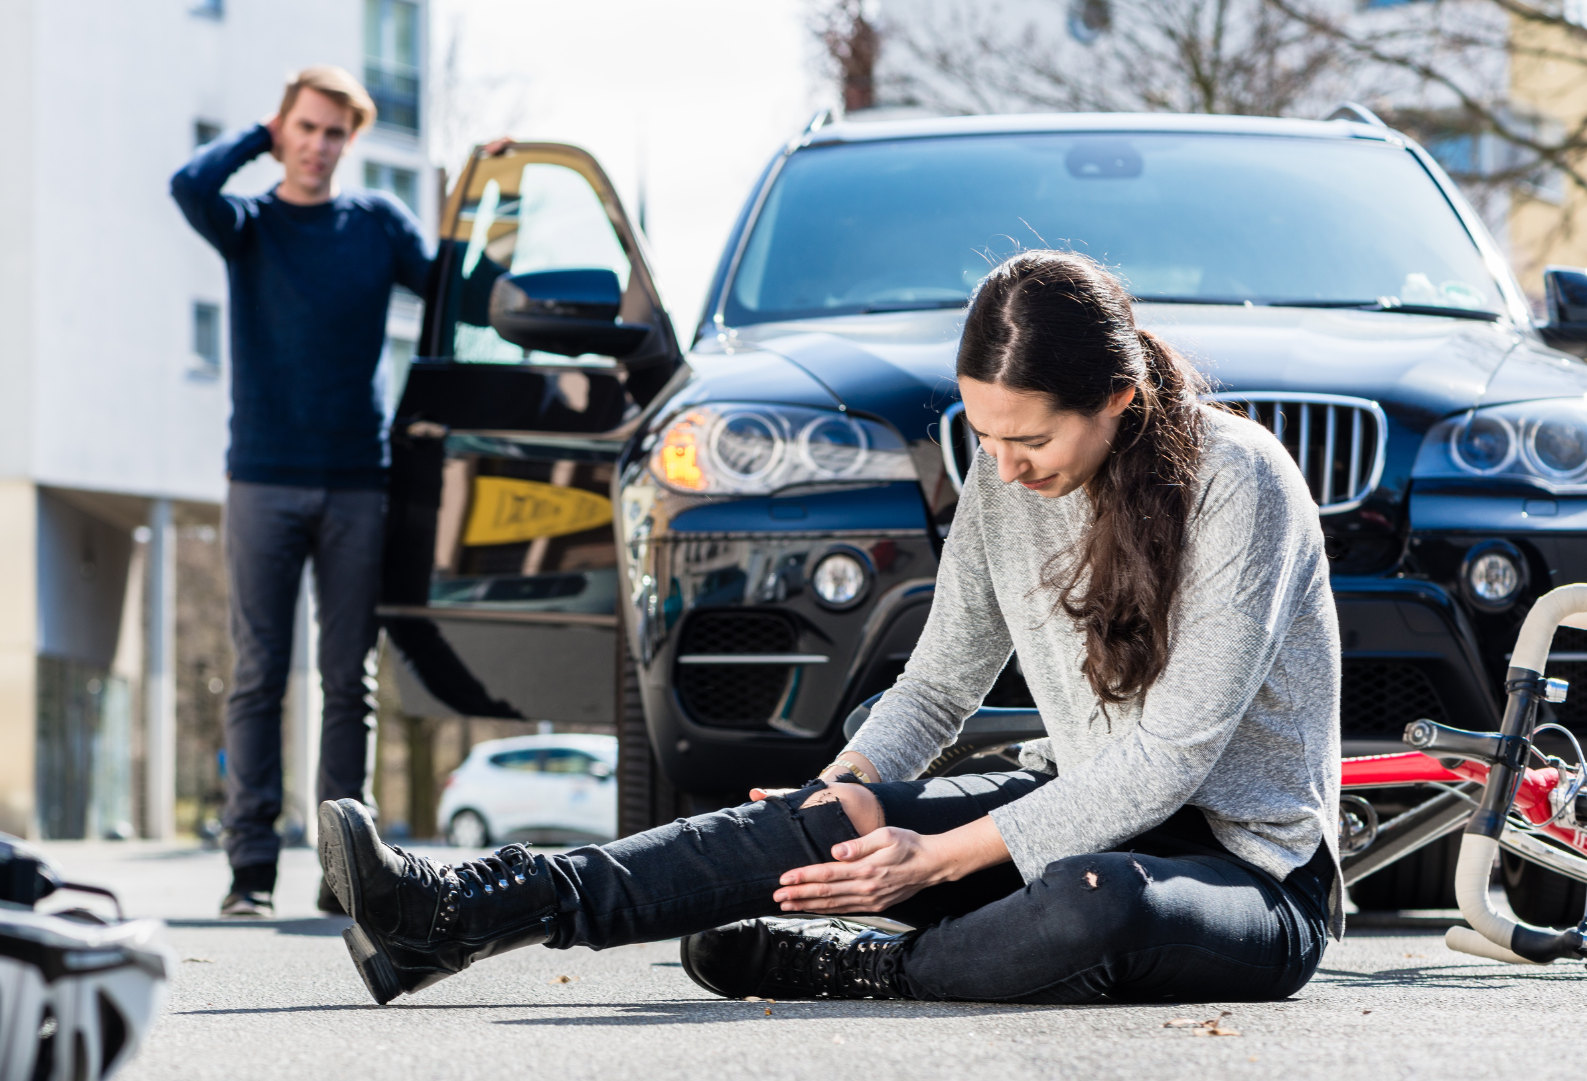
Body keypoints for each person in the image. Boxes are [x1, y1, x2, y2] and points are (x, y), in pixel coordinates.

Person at [317, 249, 1344, 1005]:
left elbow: (1170, 760)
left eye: (1028, 438)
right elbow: (939, 685)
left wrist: (933, 861)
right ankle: (461, 915)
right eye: (982, 434)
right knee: (836, 816)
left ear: (1117, 397)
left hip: (1249, 878)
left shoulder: (1237, 482)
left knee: (1094, 898)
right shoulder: (1002, 476)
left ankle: (871, 967)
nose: (1005, 463)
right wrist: (840, 792)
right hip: (1082, 806)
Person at [172, 66, 432, 918]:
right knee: (256, 677)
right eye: (306, 128)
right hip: (262, 480)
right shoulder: (247, 225)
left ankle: (342, 868)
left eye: (333, 134)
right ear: (284, 128)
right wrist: (257, 132)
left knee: (347, 682)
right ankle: (249, 870)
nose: (319, 146)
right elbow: (188, 183)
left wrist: (485, 186)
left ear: (349, 144)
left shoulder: (376, 225)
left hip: (358, 480)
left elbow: (449, 283)